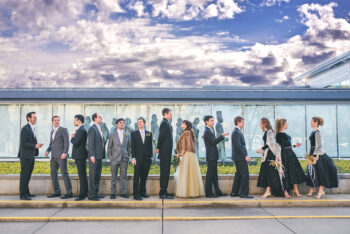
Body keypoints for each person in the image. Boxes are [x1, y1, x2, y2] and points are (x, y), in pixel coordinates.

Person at [306, 117, 338, 199]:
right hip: (312, 153)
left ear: (316, 123)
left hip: (317, 155)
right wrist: (309, 155)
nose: (311, 122)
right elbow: (312, 145)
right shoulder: (312, 132)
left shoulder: (317, 133)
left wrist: (315, 156)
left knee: (320, 173)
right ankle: (312, 189)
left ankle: (321, 191)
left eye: (312, 121)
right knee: (311, 172)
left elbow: (318, 146)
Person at [275, 119, 305, 197]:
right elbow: (281, 146)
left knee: (293, 172)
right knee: (285, 173)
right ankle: (285, 191)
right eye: (286, 123)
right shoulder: (278, 135)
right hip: (284, 155)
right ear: (282, 125)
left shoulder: (285, 134)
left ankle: (296, 189)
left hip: (290, 154)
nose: (287, 125)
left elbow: (287, 145)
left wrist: (295, 145)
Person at [175, 120, 205, 198]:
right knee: (191, 174)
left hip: (187, 154)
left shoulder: (186, 133)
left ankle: (188, 192)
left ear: (185, 125)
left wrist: (180, 154)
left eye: (183, 123)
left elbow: (185, 145)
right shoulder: (189, 132)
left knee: (186, 173)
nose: (181, 124)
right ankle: (192, 192)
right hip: (191, 155)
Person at [256, 117, 285, 198]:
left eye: (260, 122)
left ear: (263, 123)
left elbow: (270, 144)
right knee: (268, 173)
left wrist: (261, 148)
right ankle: (268, 191)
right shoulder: (266, 132)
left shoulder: (269, 132)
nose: (259, 124)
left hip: (270, 155)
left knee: (270, 173)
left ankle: (268, 191)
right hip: (267, 154)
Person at [18, 112, 43, 200]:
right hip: (25, 156)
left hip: (31, 155)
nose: (35, 119)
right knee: (24, 175)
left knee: (28, 175)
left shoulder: (32, 128)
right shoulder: (25, 128)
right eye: (34, 117)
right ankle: (22, 195)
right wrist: (35, 146)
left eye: (36, 117)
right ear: (29, 118)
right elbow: (24, 143)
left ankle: (27, 192)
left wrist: (36, 146)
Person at [45, 116, 72, 199]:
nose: (57, 122)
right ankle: (57, 192)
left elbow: (67, 143)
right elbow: (51, 144)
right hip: (53, 156)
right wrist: (47, 150)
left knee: (64, 174)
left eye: (58, 120)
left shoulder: (63, 130)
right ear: (52, 122)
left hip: (61, 156)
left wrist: (65, 152)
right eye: (55, 120)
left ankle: (69, 192)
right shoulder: (52, 131)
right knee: (53, 174)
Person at [203, 115, 229, 197]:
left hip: (213, 156)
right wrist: (222, 136)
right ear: (206, 122)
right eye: (211, 120)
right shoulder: (207, 131)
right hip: (210, 156)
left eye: (213, 120)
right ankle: (208, 193)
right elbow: (214, 142)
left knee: (214, 175)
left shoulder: (212, 129)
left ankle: (218, 191)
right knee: (210, 175)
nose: (213, 122)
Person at [108, 118, 131, 199]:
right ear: (117, 124)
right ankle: (113, 193)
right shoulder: (112, 134)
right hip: (114, 158)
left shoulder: (127, 134)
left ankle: (123, 192)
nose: (122, 124)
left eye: (123, 123)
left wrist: (128, 156)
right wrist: (110, 157)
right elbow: (109, 147)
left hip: (124, 158)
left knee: (123, 176)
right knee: (113, 177)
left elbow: (129, 147)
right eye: (120, 122)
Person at [231, 116, 253, 199]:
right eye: (242, 122)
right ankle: (244, 193)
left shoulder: (236, 131)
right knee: (245, 175)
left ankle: (234, 192)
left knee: (239, 174)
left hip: (238, 157)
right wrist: (245, 156)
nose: (243, 124)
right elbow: (238, 146)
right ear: (238, 122)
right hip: (240, 157)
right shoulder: (236, 132)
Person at [131, 117, 153, 200]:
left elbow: (150, 146)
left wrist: (150, 157)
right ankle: (136, 194)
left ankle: (142, 192)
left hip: (147, 159)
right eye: (138, 122)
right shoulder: (134, 134)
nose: (139, 123)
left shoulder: (149, 134)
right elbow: (132, 147)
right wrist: (133, 158)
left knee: (144, 177)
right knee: (136, 177)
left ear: (144, 123)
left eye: (141, 122)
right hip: (137, 159)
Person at [156, 108, 174, 199]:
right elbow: (161, 136)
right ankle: (163, 193)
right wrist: (158, 147)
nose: (171, 115)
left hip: (166, 152)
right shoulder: (164, 123)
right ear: (165, 114)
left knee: (166, 172)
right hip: (164, 152)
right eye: (170, 114)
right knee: (164, 172)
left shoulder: (167, 123)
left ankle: (164, 191)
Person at [88, 113, 106, 201]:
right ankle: (91, 195)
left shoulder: (99, 128)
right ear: (95, 118)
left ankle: (96, 192)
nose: (101, 118)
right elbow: (90, 143)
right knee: (92, 175)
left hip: (99, 156)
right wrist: (92, 155)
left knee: (97, 175)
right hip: (94, 157)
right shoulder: (92, 128)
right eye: (99, 117)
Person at [71, 114, 88, 201]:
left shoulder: (81, 130)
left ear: (79, 120)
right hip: (81, 154)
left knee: (81, 175)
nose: (74, 122)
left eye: (75, 120)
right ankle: (84, 192)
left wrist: (72, 138)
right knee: (82, 175)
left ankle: (82, 195)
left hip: (80, 155)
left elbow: (76, 142)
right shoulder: (82, 129)